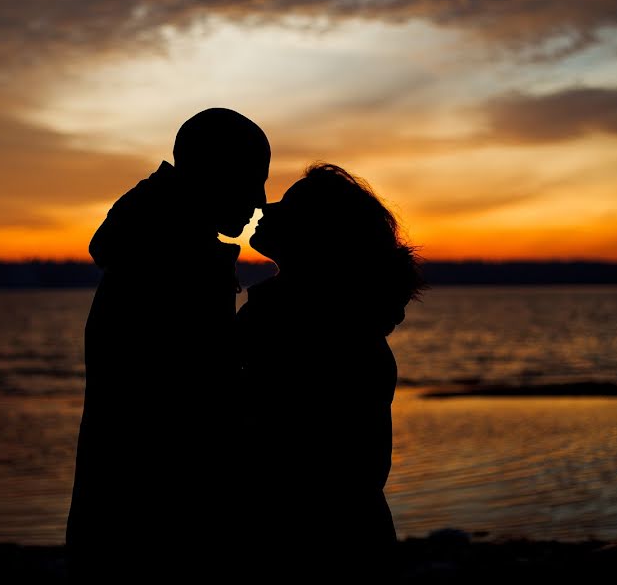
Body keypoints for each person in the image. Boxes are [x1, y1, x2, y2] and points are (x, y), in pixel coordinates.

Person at [66, 108, 270, 583]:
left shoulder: (156, 246)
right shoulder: (175, 264)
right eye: (252, 179)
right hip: (158, 529)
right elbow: (197, 404)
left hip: (129, 517)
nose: (260, 199)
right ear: (213, 173)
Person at [237, 163, 424, 583]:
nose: (266, 207)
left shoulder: (308, 329)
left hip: (313, 552)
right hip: (342, 543)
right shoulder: (326, 321)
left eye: (287, 205)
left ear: (317, 234)